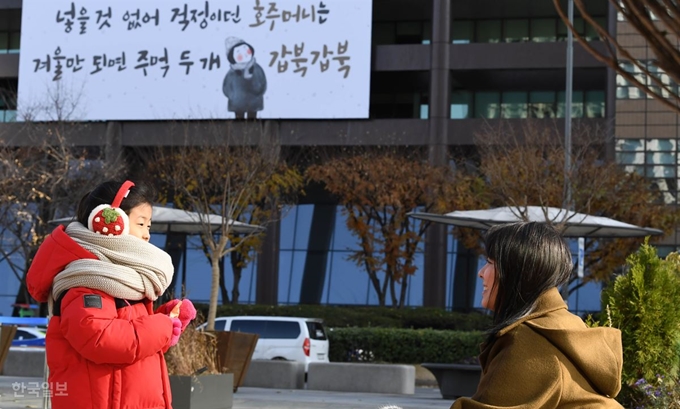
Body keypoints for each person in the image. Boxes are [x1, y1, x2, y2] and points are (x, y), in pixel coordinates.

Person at [26, 180, 196, 409]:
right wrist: (161, 326)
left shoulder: (122, 281)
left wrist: (168, 320)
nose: (147, 235)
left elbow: (134, 344)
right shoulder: (86, 281)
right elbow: (100, 339)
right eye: (141, 224)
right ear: (112, 223)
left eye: (149, 226)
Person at [452, 221, 623, 409]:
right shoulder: (562, 327)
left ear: (517, 272)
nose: (481, 273)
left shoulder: (528, 340)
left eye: (490, 263)